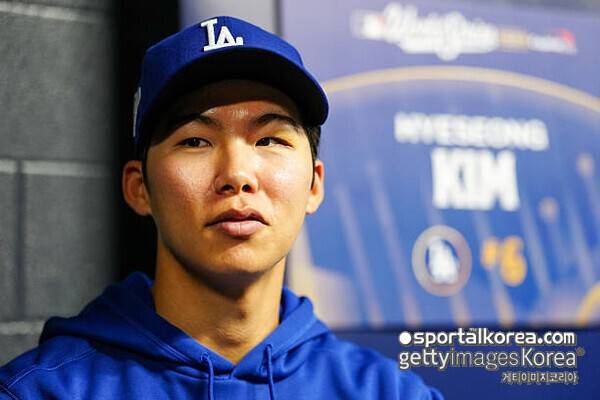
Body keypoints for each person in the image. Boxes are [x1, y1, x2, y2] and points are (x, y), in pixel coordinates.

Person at [0, 16, 442, 399]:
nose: (237, 174)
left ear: (314, 184)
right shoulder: (41, 392)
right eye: (195, 141)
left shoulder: (392, 393)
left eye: (269, 140)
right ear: (139, 188)